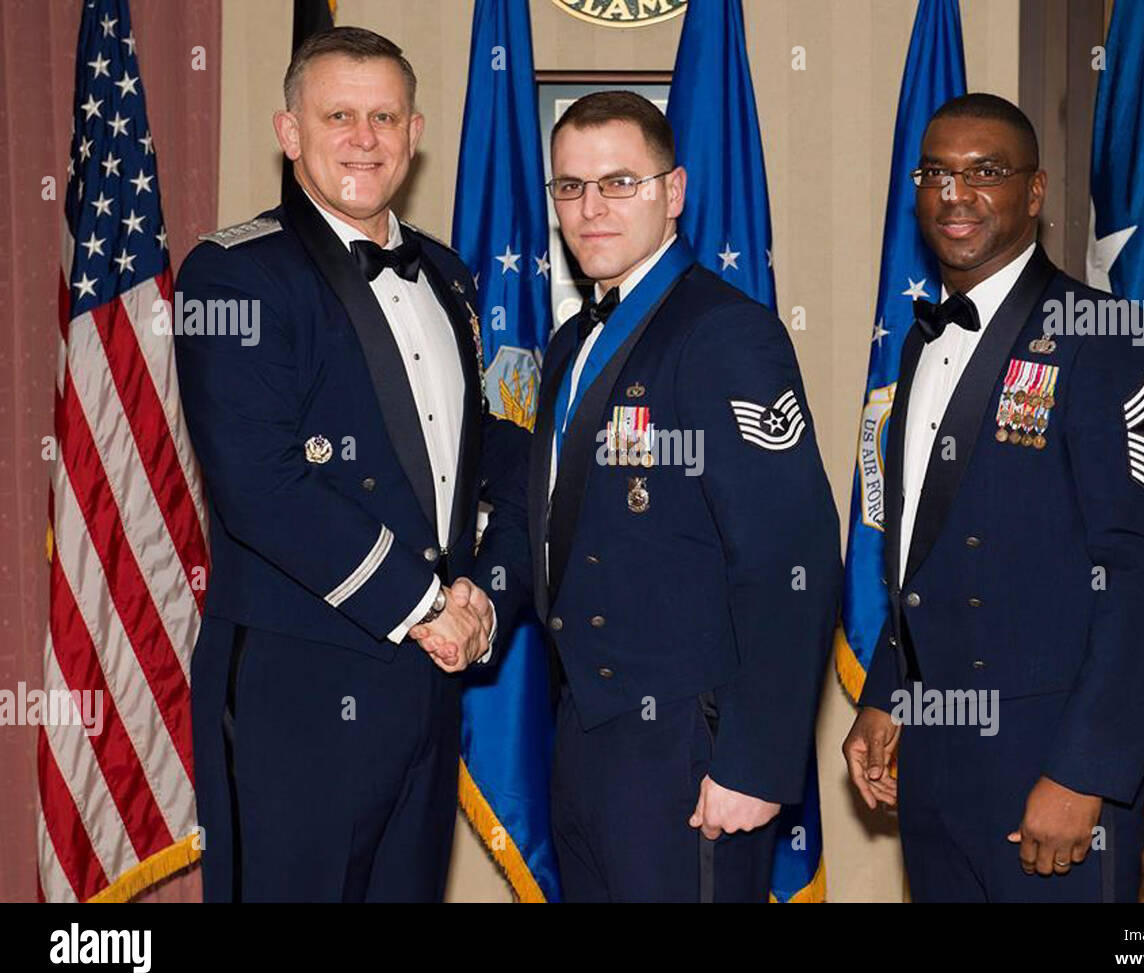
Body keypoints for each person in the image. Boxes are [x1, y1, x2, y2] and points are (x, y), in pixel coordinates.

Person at [174, 27, 531, 901]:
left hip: (429, 677)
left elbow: (477, 451)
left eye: (383, 117)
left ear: (414, 133)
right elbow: (260, 485)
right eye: (339, 115)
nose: (364, 139)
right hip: (296, 681)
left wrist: (492, 586)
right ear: (289, 132)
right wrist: (423, 604)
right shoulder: (232, 276)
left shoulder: (446, 272)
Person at [842, 93, 1144, 902]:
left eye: (985, 172)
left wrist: (1085, 772)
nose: (954, 193)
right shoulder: (918, 345)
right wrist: (885, 696)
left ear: (1034, 193)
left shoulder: (1109, 337)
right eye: (936, 173)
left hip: (1050, 767)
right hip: (932, 768)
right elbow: (918, 553)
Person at [531, 91, 841, 902]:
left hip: (691, 746)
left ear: (674, 192)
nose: (591, 207)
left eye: (620, 182)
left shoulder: (723, 334)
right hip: (587, 737)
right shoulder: (572, 344)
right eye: (571, 187)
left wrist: (756, 760)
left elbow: (791, 557)